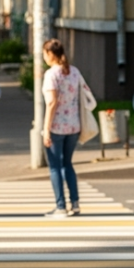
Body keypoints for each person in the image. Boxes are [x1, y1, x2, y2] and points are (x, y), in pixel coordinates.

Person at [40, 38, 85, 217]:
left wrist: (46, 128)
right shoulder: (74, 71)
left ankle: (60, 206)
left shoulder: (52, 74)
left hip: (57, 127)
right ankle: (75, 203)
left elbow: (51, 103)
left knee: (55, 167)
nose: (43, 57)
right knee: (68, 164)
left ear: (50, 54)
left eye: (44, 53)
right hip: (74, 125)